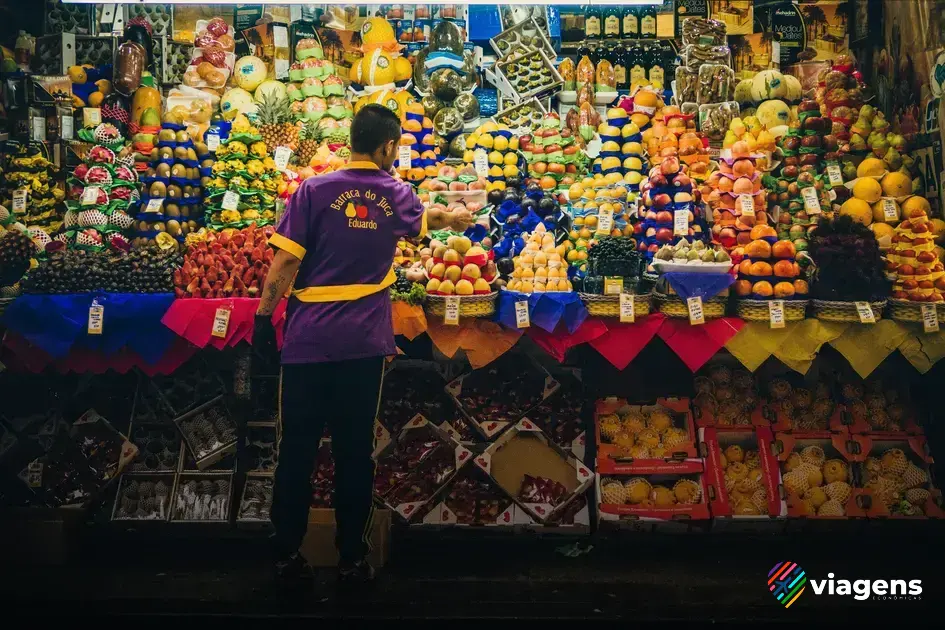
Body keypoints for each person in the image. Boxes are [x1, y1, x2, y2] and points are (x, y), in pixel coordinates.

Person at [254, 104, 473, 586]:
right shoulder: (396, 194)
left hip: (308, 341)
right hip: (362, 344)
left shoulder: (312, 190)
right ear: (388, 147)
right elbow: (429, 219)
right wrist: (456, 219)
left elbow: (283, 266)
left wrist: (262, 320)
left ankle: (286, 553)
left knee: (296, 449)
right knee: (355, 452)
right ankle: (352, 556)